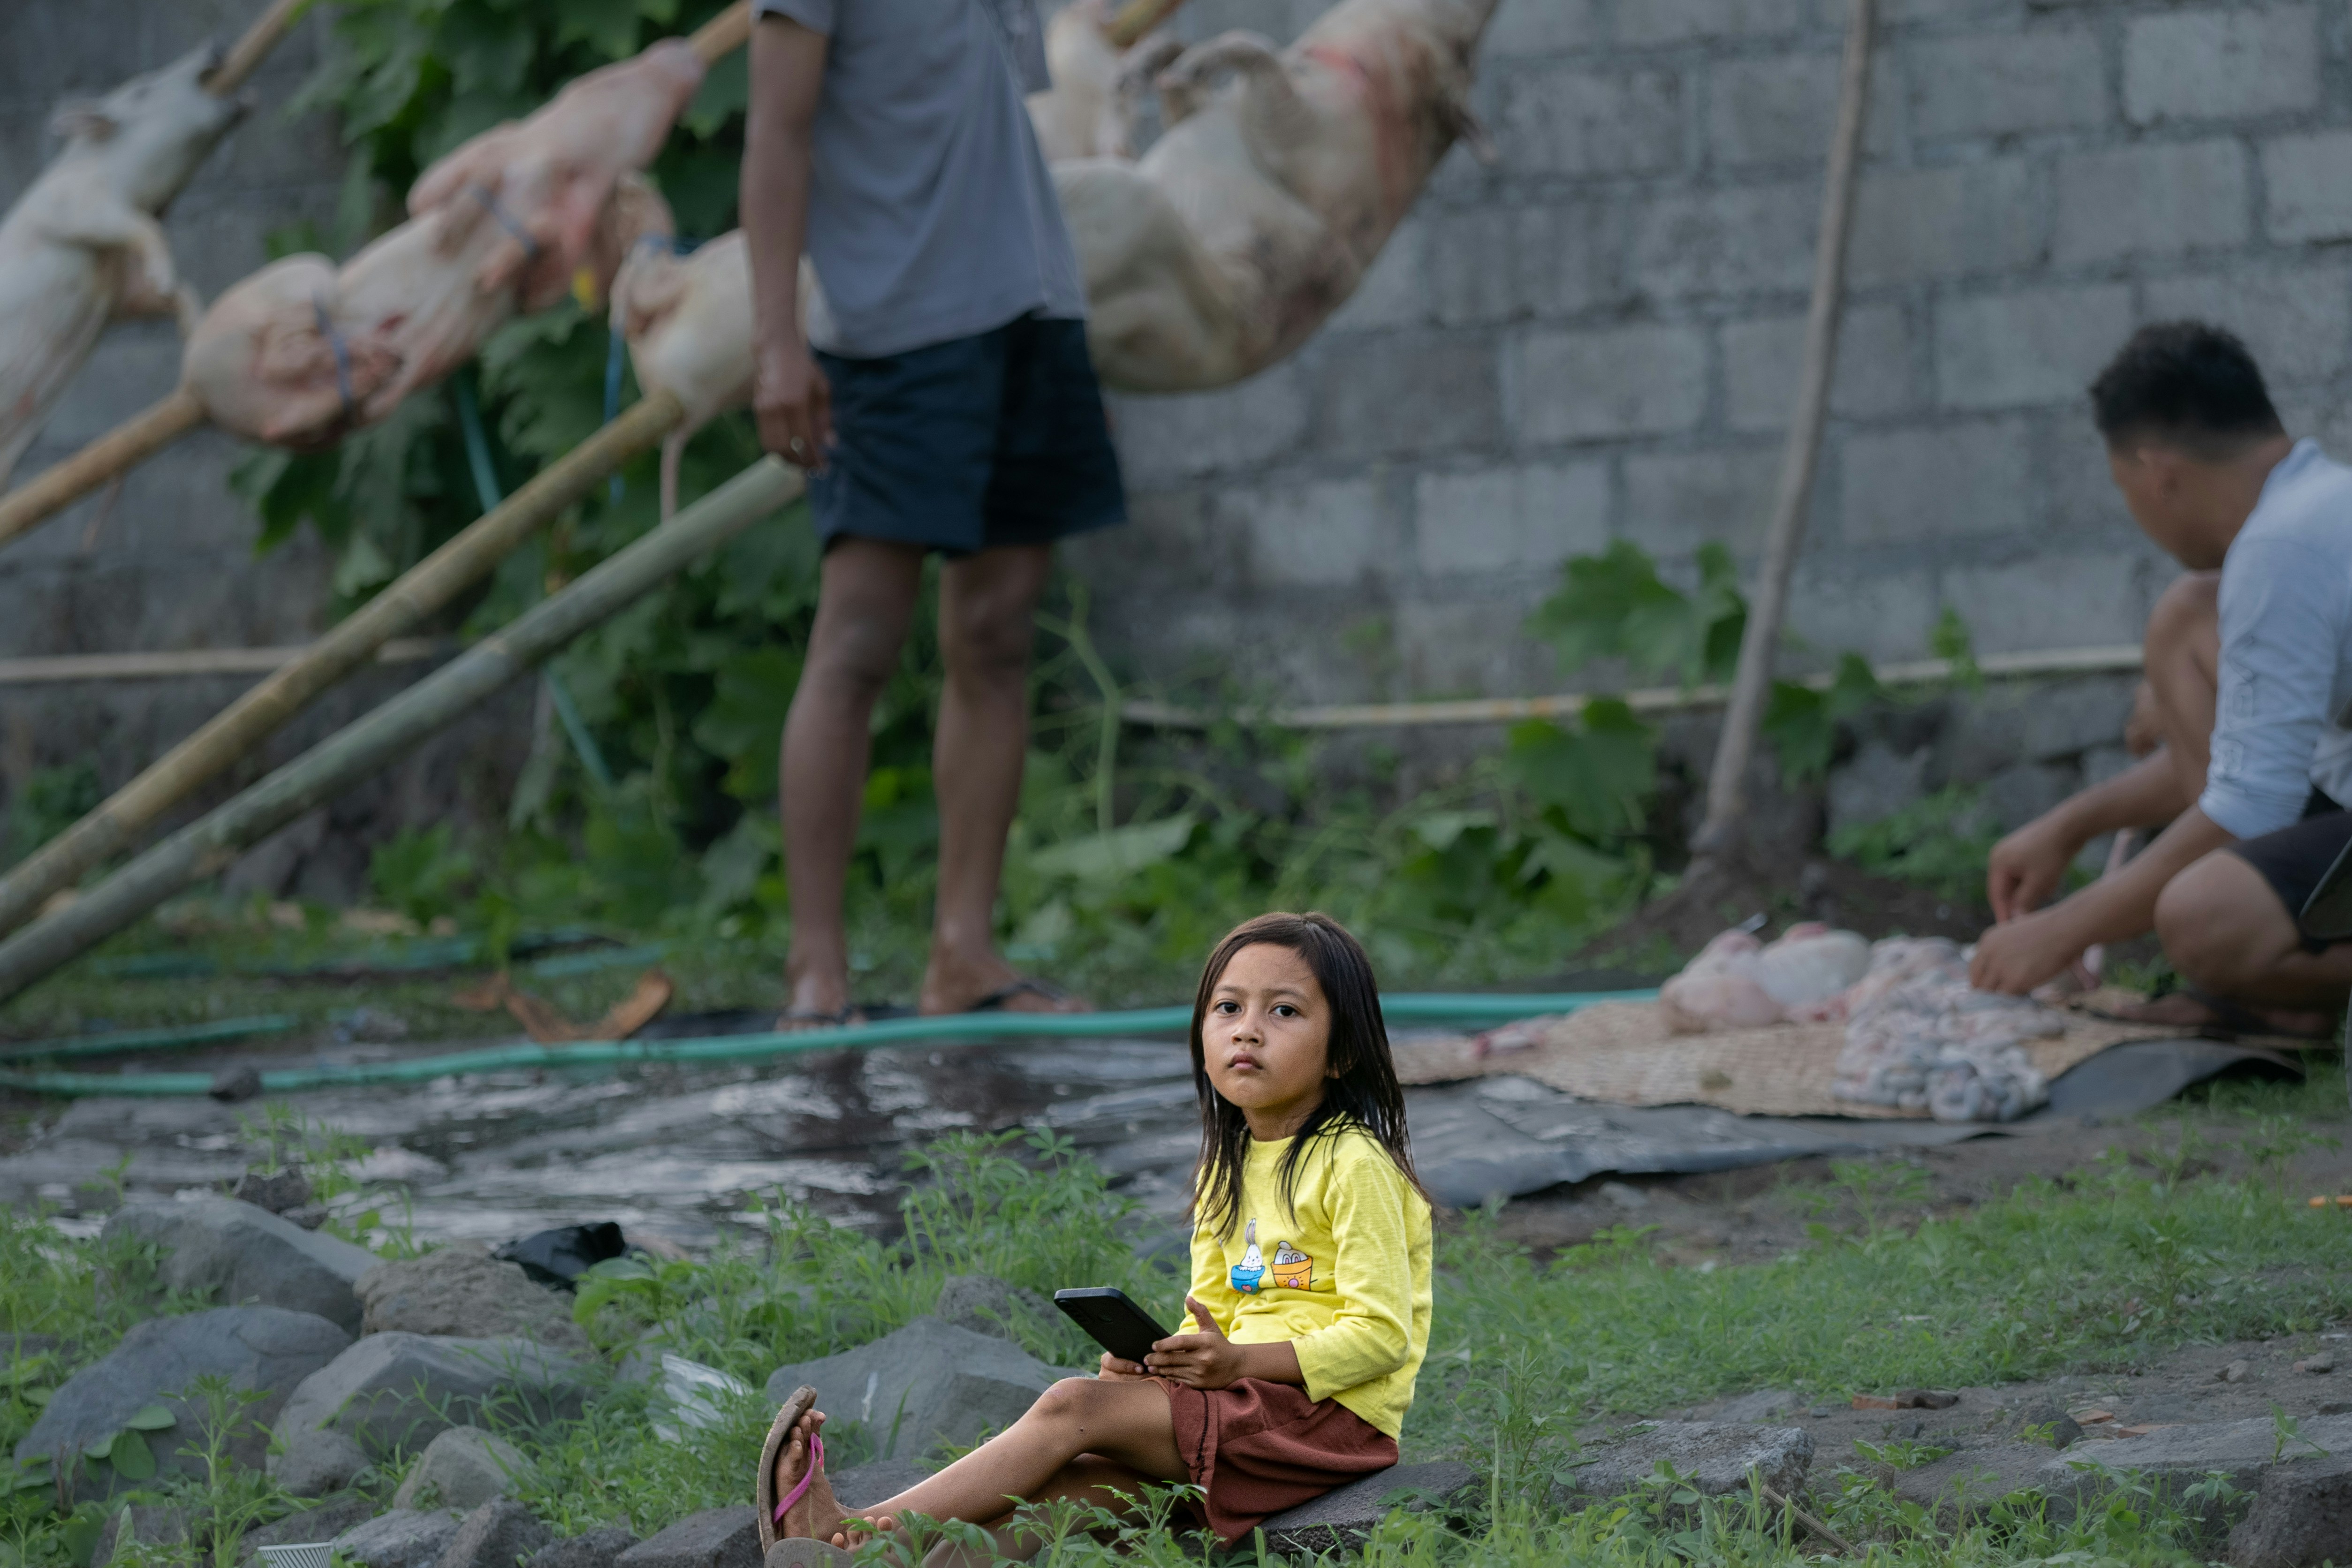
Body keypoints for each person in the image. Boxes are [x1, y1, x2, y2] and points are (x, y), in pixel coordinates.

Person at [755, 912, 1435, 1560]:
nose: (1247, 1032)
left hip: (1326, 1423)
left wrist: (1235, 1365)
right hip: (1246, 1408)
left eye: (1283, 1011)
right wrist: (1161, 1365)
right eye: (1228, 1009)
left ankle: (867, 1533)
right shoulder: (1226, 1168)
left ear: (1342, 1051)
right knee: (1068, 1491)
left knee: (1073, 1405)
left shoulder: (1354, 1164)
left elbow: (1381, 1338)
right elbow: (1215, 1317)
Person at [742, 0, 1127, 1023]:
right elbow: (776, 130)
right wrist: (776, 342)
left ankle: (963, 950)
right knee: (859, 636)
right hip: (891, 326)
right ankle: (815, 971)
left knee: (997, 632)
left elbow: (1006, 103)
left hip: (1030, 299)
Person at [1970, 322, 2352, 1036]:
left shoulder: (2280, 548)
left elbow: (2250, 807)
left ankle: (2297, 999)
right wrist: (2070, 824)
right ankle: (2277, 996)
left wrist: (2057, 930)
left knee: (2201, 914)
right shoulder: (2314, 508)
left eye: (2124, 488)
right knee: (2185, 616)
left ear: (2157, 472)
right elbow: (2250, 769)